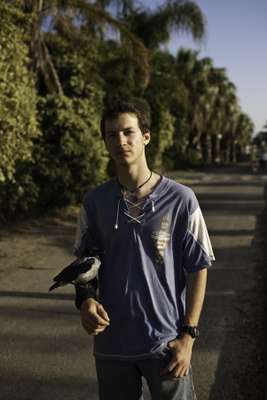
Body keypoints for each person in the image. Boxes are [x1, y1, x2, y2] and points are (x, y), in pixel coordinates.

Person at [74, 100, 215, 400]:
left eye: (128, 132)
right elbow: (85, 265)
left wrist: (187, 337)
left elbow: (199, 266)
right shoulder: (94, 201)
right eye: (111, 135)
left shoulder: (182, 199)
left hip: (165, 345)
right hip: (111, 346)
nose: (120, 141)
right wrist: (86, 302)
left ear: (146, 136)